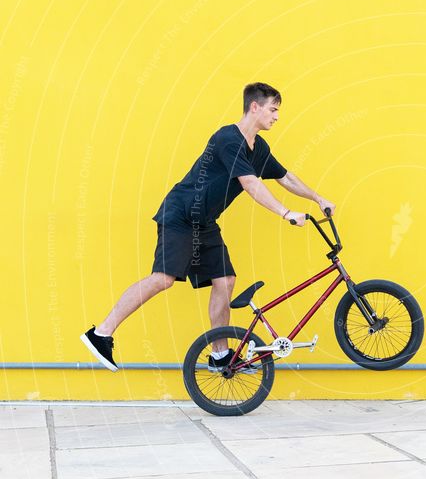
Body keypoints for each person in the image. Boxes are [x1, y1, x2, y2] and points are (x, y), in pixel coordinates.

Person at [80, 82, 335, 372]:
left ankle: (220, 355)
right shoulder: (228, 138)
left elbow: (284, 177)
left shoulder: (258, 147)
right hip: (181, 214)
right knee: (163, 278)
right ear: (255, 107)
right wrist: (285, 212)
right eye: (273, 110)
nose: (277, 117)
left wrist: (317, 198)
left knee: (225, 281)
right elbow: (250, 183)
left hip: (204, 222)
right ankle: (101, 333)